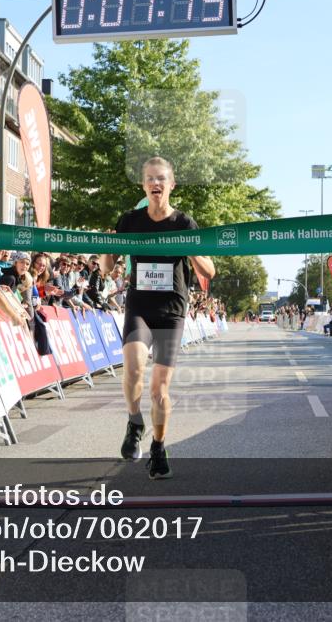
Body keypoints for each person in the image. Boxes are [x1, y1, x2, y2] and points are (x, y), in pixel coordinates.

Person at [102, 156, 215, 479]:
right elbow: (107, 268)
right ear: (143, 185)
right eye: (150, 178)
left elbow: (210, 270)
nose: (156, 184)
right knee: (134, 368)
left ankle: (159, 446)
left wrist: (191, 249)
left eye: (162, 179)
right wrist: (107, 246)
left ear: (171, 185)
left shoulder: (184, 223)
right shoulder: (129, 221)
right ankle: (134, 421)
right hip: (140, 306)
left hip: (172, 310)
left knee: (159, 389)